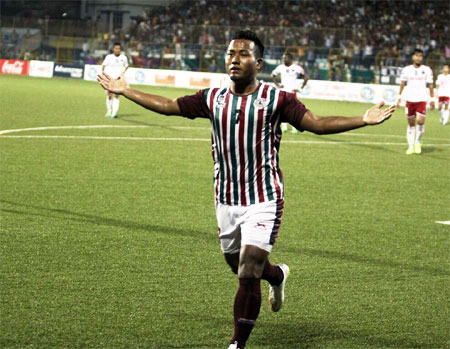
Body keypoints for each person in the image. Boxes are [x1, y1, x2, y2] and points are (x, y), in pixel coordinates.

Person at [97, 30, 395, 349]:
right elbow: (169, 105)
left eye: (243, 54)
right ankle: (277, 276)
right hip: (226, 198)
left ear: (259, 62)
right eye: (230, 53)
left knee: (249, 267)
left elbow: (316, 123)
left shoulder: (277, 99)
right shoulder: (212, 98)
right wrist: (126, 91)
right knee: (238, 265)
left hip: (264, 197)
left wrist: (362, 119)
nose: (234, 59)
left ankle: (237, 343)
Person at [397, 49, 435, 155]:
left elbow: (430, 84)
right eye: (417, 55)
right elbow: (403, 83)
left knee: (421, 121)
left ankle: (417, 142)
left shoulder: (427, 70)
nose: (419, 58)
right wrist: (399, 96)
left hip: (422, 99)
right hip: (409, 99)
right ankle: (410, 146)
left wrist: (432, 99)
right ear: (413, 57)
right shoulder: (407, 69)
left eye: (420, 56)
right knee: (411, 123)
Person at [271, 52, 309, 134]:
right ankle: (284, 127)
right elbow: (272, 75)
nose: (284, 60)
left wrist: (301, 87)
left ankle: (295, 128)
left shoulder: (296, 68)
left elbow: (306, 77)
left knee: (293, 110)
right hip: (282, 92)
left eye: (286, 58)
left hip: (292, 93)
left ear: (291, 59)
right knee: (281, 110)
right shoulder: (280, 67)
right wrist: (277, 84)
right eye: (283, 58)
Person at [102, 42, 129, 118]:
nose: (117, 50)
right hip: (110, 80)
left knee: (117, 96)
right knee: (109, 95)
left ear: (120, 50)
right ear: (113, 49)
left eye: (119, 49)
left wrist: (122, 73)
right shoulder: (109, 57)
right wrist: (104, 75)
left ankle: (114, 113)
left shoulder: (124, 58)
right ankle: (109, 111)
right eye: (116, 48)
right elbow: (103, 66)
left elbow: (126, 66)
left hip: (118, 80)